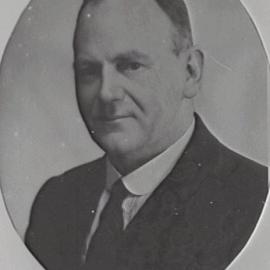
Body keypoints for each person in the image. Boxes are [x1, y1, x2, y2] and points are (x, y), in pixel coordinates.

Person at [25, 0, 268, 269]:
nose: (106, 92)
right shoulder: (57, 200)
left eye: (130, 65)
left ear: (191, 72)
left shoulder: (254, 201)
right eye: (89, 71)